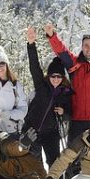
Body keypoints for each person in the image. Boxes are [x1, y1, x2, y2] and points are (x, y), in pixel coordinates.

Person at [23, 27, 72, 166]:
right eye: (53, 76)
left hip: (51, 132)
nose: (56, 79)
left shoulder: (66, 92)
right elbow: (34, 66)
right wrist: (31, 45)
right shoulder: (41, 85)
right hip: (32, 129)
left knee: (54, 163)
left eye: (59, 76)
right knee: (33, 163)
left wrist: (64, 113)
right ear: (48, 76)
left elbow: (71, 112)